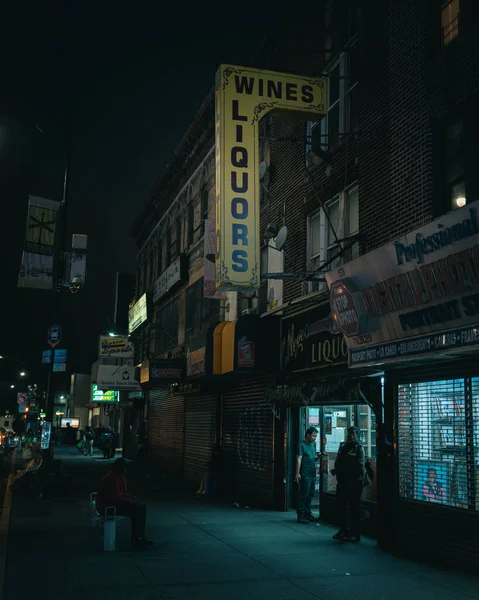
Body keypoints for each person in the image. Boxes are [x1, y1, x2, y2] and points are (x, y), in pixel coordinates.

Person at [96, 458, 152, 550]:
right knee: (136, 510)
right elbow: (116, 498)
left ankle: (140, 537)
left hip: (113, 504)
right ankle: (136, 539)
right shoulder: (111, 478)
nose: (125, 471)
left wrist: (133, 499)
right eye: (124, 469)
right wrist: (131, 501)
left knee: (141, 507)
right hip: (107, 506)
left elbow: (125, 492)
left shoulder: (120, 477)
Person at [332, 425, 366, 542]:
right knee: (341, 507)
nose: (351, 435)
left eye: (353, 433)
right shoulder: (343, 446)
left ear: (357, 435)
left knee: (354, 508)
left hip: (354, 483)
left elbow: (360, 465)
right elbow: (338, 460)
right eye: (349, 433)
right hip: (342, 482)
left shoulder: (358, 447)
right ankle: (343, 530)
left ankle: (355, 534)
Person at [295, 426, 320, 524]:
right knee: (303, 495)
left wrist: (318, 457)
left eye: (315, 436)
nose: (315, 438)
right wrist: (297, 473)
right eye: (313, 436)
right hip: (305, 474)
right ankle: (300, 515)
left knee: (310, 495)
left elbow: (313, 457)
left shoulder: (313, 445)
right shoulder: (301, 444)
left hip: (312, 473)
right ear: (308, 435)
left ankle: (308, 513)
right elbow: (298, 459)